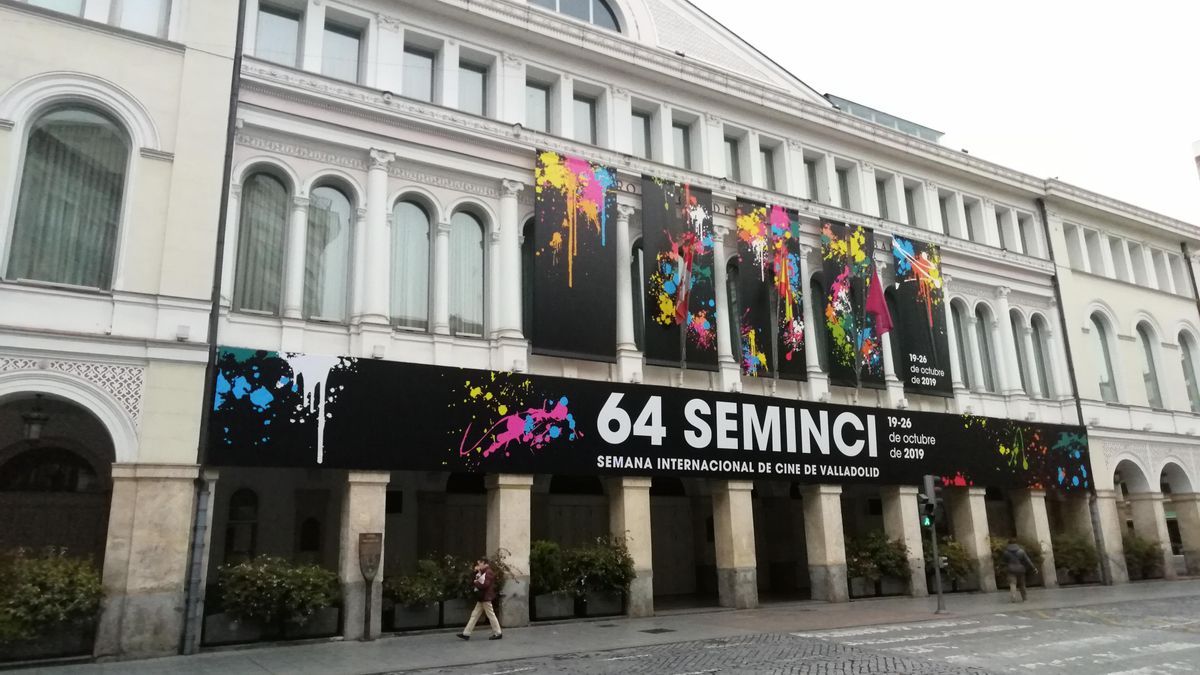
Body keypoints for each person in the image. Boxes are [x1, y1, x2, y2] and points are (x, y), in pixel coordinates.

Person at [458, 558, 502, 640]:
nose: (478, 565)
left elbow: (485, 584)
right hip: (482, 597)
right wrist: (476, 573)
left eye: (480, 563)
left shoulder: (488, 572)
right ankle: (466, 633)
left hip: (485, 597)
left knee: (490, 615)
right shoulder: (483, 572)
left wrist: (476, 582)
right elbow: (477, 579)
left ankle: (498, 633)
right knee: (474, 615)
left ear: (485, 564)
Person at [1002, 538, 1036, 602]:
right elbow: (1028, 561)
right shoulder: (1021, 551)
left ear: (1009, 544)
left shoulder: (1006, 552)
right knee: (1022, 584)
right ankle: (1024, 598)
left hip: (1010, 570)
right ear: (1016, 543)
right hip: (1021, 570)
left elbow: (1004, 562)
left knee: (1012, 584)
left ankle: (1013, 597)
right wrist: (1034, 568)